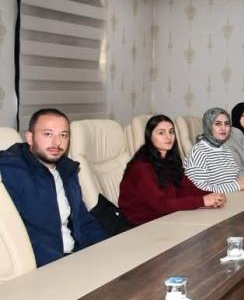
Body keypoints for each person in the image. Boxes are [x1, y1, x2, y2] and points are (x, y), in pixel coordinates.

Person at [0, 108, 107, 267]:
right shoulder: (11, 171)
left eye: (63, 135)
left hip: (78, 256)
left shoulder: (66, 170)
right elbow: (18, 238)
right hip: (46, 267)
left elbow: (83, 219)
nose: (57, 142)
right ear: (29, 137)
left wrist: (108, 248)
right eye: (48, 134)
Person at [118, 115, 226, 226]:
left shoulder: (169, 159)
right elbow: (160, 204)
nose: (168, 137)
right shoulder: (141, 167)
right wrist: (202, 201)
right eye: (161, 133)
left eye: (171, 132)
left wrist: (213, 196)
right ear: (150, 137)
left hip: (166, 218)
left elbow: (187, 187)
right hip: (140, 225)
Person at [184, 107, 244, 193]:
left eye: (227, 124)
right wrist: (236, 186)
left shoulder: (225, 148)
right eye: (218, 124)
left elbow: (233, 177)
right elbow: (198, 189)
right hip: (217, 200)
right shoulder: (198, 152)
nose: (223, 128)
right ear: (208, 126)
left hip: (233, 196)